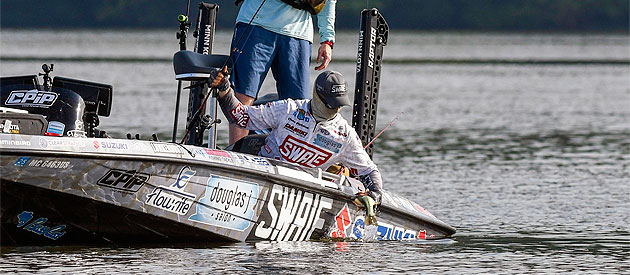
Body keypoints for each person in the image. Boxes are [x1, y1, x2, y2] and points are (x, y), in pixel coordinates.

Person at [211, 69, 382, 222]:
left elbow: (369, 170)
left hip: (302, 194)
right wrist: (224, 89)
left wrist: (374, 194)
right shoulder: (288, 109)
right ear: (317, 96)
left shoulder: (345, 135)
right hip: (261, 177)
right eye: (331, 104)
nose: (336, 109)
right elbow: (241, 117)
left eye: (340, 104)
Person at [228, 0, 337, 144]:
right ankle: (236, 152)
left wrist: (327, 40)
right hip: (256, 25)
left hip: (299, 34)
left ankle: (292, 161)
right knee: (244, 96)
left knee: (299, 106)